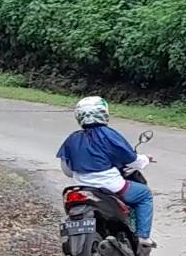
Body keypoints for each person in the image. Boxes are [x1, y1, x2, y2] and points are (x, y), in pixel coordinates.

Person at [56, 96, 155, 247]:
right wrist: (146, 159)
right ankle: (143, 238)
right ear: (104, 113)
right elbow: (132, 160)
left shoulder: (72, 139)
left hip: (81, 188)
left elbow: (67, 171)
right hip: (111, 186)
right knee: (144, 195)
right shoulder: (108, 134)